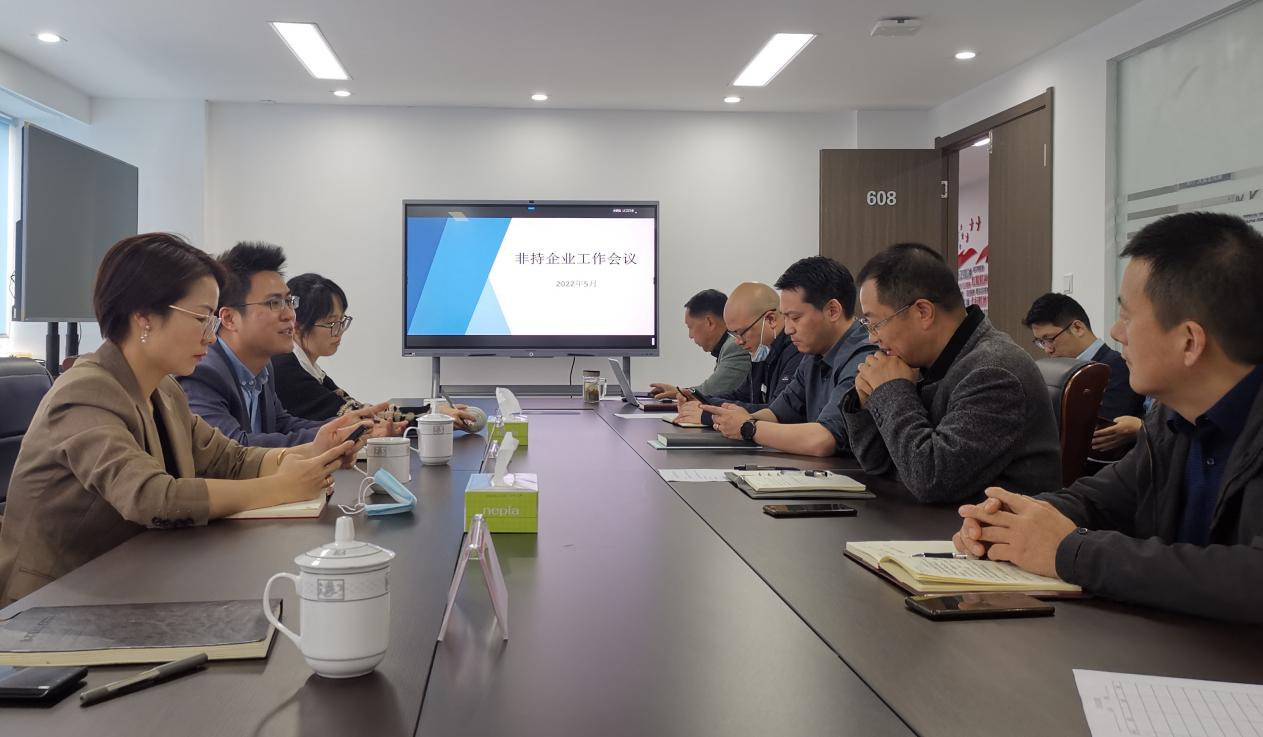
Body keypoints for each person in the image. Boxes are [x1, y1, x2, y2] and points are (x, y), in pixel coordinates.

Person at [0, 233, 366, 606]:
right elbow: (151, 496)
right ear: (144, 317)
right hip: (54, 602)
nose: (212, 337)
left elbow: (231, 458)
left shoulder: (164, 390)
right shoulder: (85, 392)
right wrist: (281, 487)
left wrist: (311, 453)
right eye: (202, 319)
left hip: (133, 578)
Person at [954, 213, 1263, 623]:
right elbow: (1098, 500)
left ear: (1189, 341)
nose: (1117, 332)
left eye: (1128, 316)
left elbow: (1251, 578)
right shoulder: (1173, 420)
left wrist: (1071, 551)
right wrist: (1010, 519)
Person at [840, 243, 1061, 503]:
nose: (872, 337)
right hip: (929, 518)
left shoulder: (995, 372)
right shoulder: (924, 363)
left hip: (987, 525)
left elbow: (932, 479)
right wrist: (868, 400)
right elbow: (877, 463)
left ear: (923, 312)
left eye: (876, 323)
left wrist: (891, 391)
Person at [179, 243, 398, 446]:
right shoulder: (203, 372)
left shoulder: (263, 367)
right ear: (229, 318)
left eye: (289, 301)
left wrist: (345, 427)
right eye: (274, 303)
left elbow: (282, 424)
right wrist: (332, 438)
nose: (290, 315)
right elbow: (233, 447)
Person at [703, 257, 874, 457]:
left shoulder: (864, 357)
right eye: (786, 318)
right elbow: (777, 413)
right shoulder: (813, 354)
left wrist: (748, 427)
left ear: (832, 311)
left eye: (795, 318)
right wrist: (733, 420)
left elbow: (823, 440)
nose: (788, 329)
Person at [273, 273, 475, 429]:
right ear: (297, 325)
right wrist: (433, 415)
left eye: (342, 321)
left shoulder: (306, 367)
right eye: (331, 323)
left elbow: (357, 409)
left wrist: (434, 412)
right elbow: (355, 417)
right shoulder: (286, 370)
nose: (339, 331)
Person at [1023, 292, 1147, 454]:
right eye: (1041, 342)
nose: (1048, 349)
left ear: (1077, 328)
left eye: (1050, 339)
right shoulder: (1057, 372)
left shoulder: (1117, 368)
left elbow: (1099, 437)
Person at [674, 282, 803, 426]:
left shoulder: (798, 351)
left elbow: (779, 413)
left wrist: (708, 413)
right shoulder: (762, 350)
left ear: (770, 319)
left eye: (741, 332)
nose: (738, 341)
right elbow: (742, 395)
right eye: (734, 334)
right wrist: (703, 401)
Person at [649, 289, 751, 400]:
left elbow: (711, 391)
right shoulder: (728, 344)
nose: (690, 336)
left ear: (709, 322)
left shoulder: (735, 346)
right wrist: (677, 391)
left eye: (690, 327)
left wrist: (678, 392)